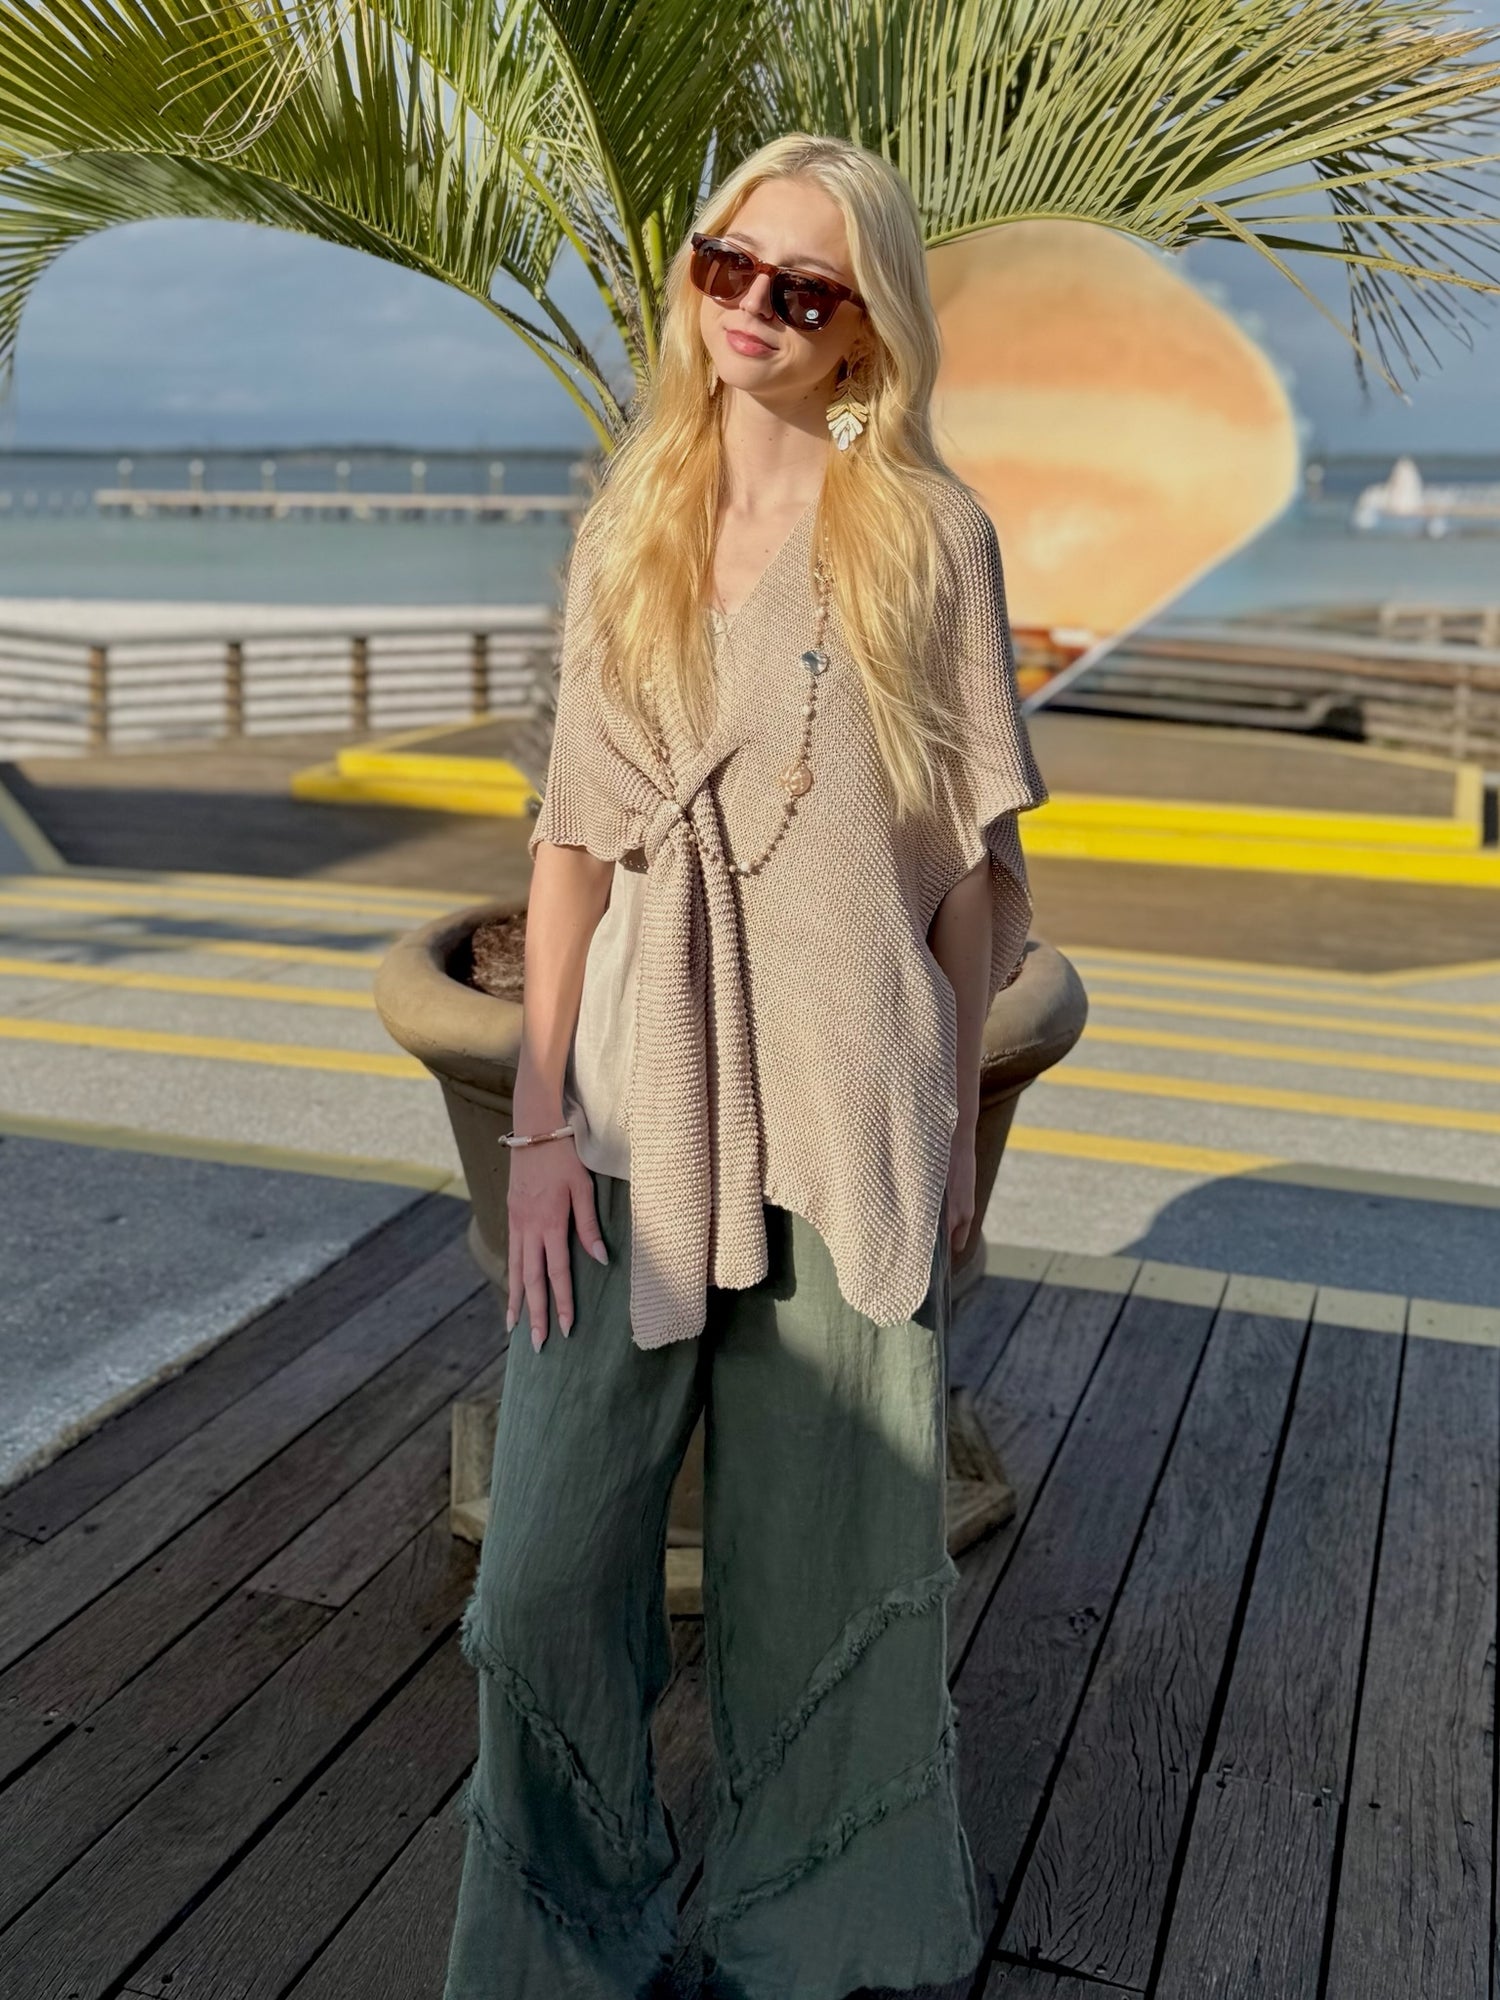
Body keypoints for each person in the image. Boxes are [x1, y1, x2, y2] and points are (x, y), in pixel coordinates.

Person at [444, 130, 1047, 2000]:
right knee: (543, 1574)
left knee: (832, 1587)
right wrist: (538, 1124)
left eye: (803, 288)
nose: (753, 311)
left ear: (868, 328)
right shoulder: (631, 523)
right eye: (727, 266)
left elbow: (966, 878)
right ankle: (569, 1938)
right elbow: (569, 846)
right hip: (635, 1110)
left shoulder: (929, 539)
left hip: (849, 1115)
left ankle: (816, 1947)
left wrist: (955, 1138)